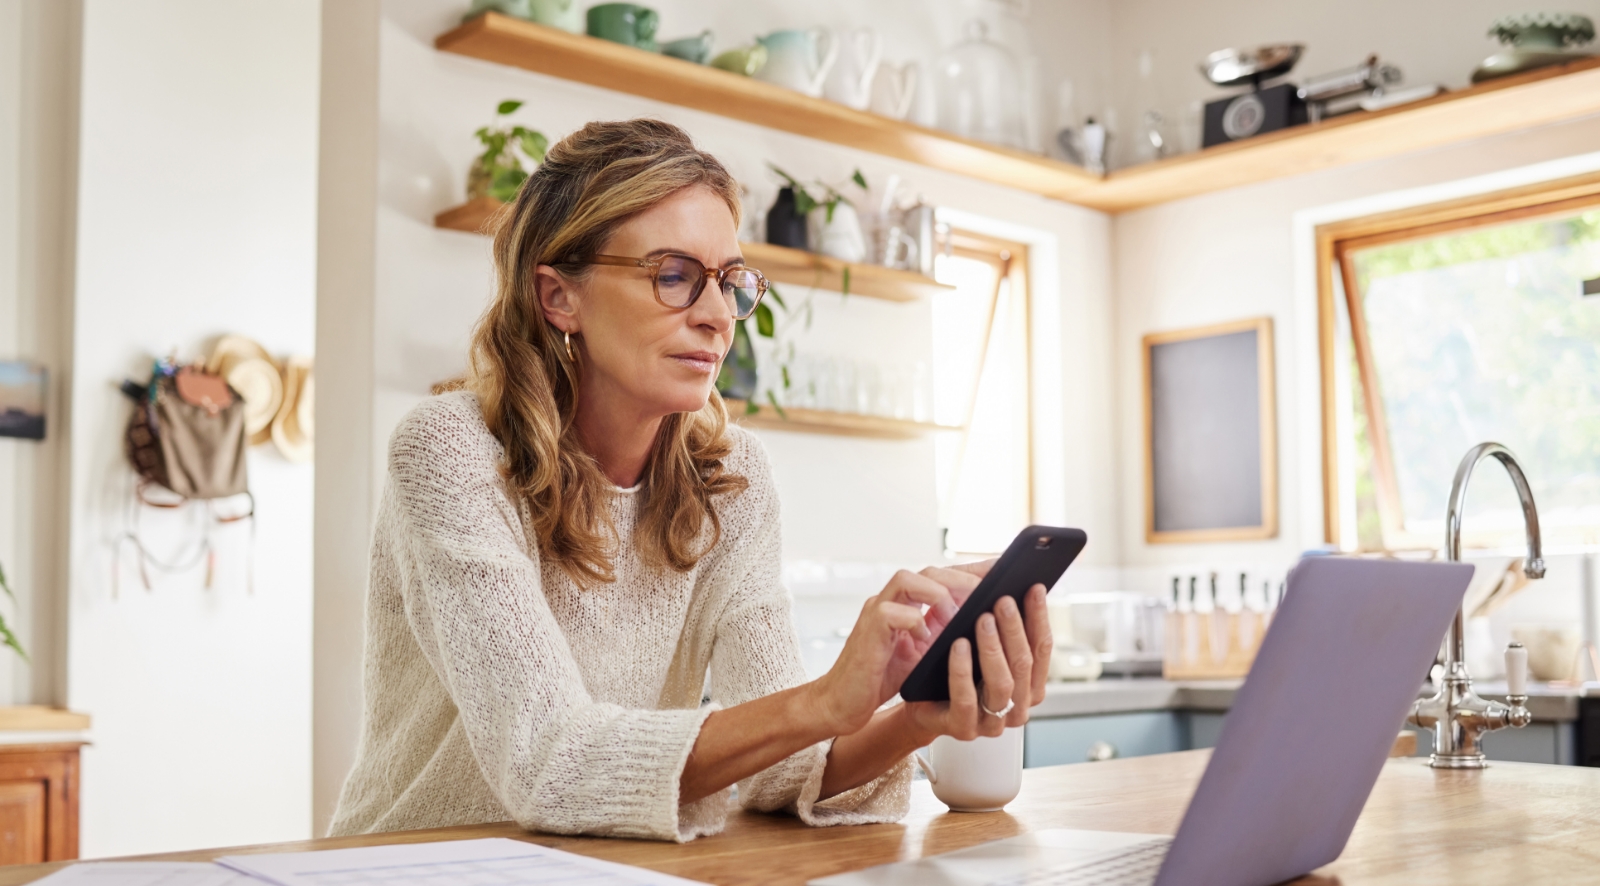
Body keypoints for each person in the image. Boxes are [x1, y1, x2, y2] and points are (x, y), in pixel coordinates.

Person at [328, 119, 1054, 842]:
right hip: (406, 865)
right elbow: (552, 762)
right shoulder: (451, 451)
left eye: (730, 282)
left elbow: (779, 769)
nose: (716, 316)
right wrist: (829, 699)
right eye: (673, 276)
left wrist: (913, 715)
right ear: (558, 297)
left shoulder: (730, 478)